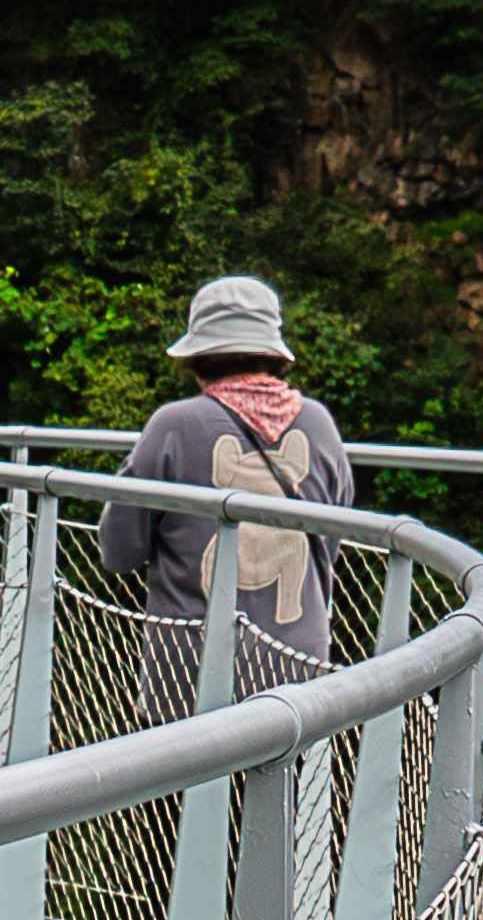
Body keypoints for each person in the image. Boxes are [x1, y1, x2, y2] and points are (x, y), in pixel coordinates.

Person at [110, 266, 354, 670]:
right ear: (273, 354)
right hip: (297, 676)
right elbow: (329, 542)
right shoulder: (319, 424)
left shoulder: (173, 424)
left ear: (197, 356)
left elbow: (119, 550)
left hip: (188, 676)